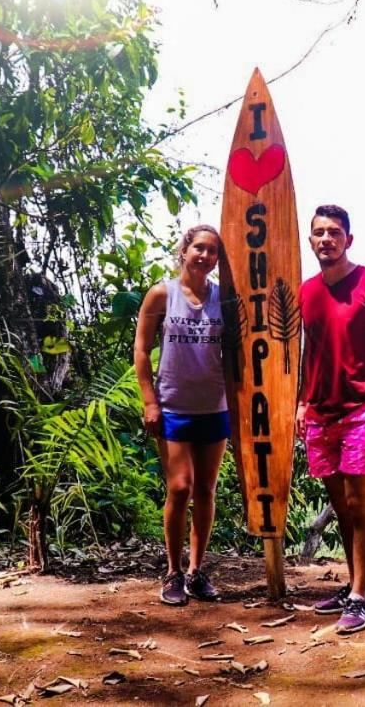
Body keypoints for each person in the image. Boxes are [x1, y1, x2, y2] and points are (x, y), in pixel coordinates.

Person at [296, 204, 365, 634]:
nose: (326, 239)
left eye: (334, 232)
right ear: (311, 241)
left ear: (348, 239)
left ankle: (360, 596)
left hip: (364, 406)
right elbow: (308, 351)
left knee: (360, 503)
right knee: (341, 505)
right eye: (319, 232)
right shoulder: (307, 292)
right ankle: (354, 584)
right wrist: (303, 403)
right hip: (321, 410)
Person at [135, 225, 230, 606]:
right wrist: (149, 401)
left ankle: (196, 571)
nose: (205, 256)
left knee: (206, 490)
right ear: (184, 250)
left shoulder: (223, 299)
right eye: (199, 248)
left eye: (212, 251)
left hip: (215, 406)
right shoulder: (163, 294)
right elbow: (141, 350)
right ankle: (173, 570)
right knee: (179, 487)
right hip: (173, 406)